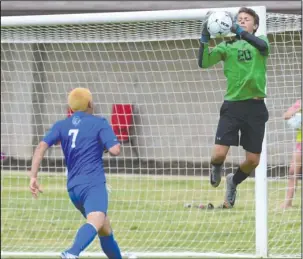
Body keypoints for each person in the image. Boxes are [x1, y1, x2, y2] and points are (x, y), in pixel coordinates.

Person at [29, 88, 122, 259]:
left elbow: (41, 146)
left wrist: (33, 177)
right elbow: (115, 150)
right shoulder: (99, 122)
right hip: (93, 184)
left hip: (73, 188)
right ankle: (71, 253)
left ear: (70, 107)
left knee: (104, 228)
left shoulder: (62, 125)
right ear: (90, 104)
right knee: (95, 221)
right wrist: (105, 144)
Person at [198, 7, 270, 208]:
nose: (242, 21)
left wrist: (240, 31)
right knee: (219, 154)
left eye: (246, 19)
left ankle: (234, 181)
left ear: (255, 25)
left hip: (256, 108)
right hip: (233, 107)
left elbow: (260, 45)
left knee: (253, 160)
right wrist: (204, 37)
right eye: (239, 19)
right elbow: (203, 63)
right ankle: (216, 167)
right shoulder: (226, 46)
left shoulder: (261, 42)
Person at [280, 99, 302, 209]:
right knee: (293, 171)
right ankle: (288, 203)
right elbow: (285, 116)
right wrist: (297, 109)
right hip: (300, 143)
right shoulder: (300, 102)